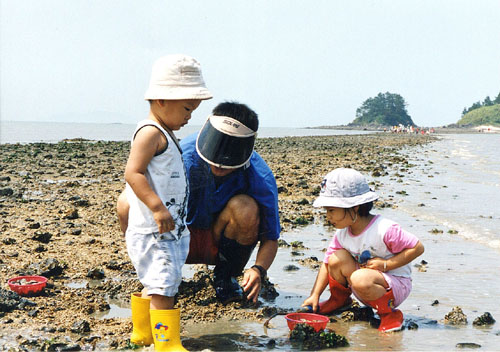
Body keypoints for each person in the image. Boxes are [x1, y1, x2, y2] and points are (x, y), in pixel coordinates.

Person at [118, 102, 281, 306]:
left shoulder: (259, 176)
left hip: (217, 240)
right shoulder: (181, 154)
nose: (219, 165)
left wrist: (258, 269)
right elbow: (138, 178)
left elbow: (271, 238)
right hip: (172, 234)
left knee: (245, 207)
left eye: (228, 160)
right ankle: (154, 275)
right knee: (126, 201)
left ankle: (225, 277)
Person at [124, 54, 212, 351]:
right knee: (164, 287)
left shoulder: (164, 133)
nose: (190, 116)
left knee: (157, 281)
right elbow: (132, 173)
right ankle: (166, 344)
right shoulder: (150, 133)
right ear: (162, 99)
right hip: (154, 229)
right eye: (187, 108)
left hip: (165, 230)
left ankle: (143, 334)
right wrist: (158, 208)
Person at [301, 168, 424, 332]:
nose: (327, 216)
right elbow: (326, 264)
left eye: (331, 210)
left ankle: (389, 314)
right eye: (326, 211)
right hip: (364, 282)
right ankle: (339, 300)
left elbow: (417, 248)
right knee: (336, 259)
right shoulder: (342, 234)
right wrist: (314, 295)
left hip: (394, 286)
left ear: (355, 207)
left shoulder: (384, 229)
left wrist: (386, 264)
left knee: (359, 278)